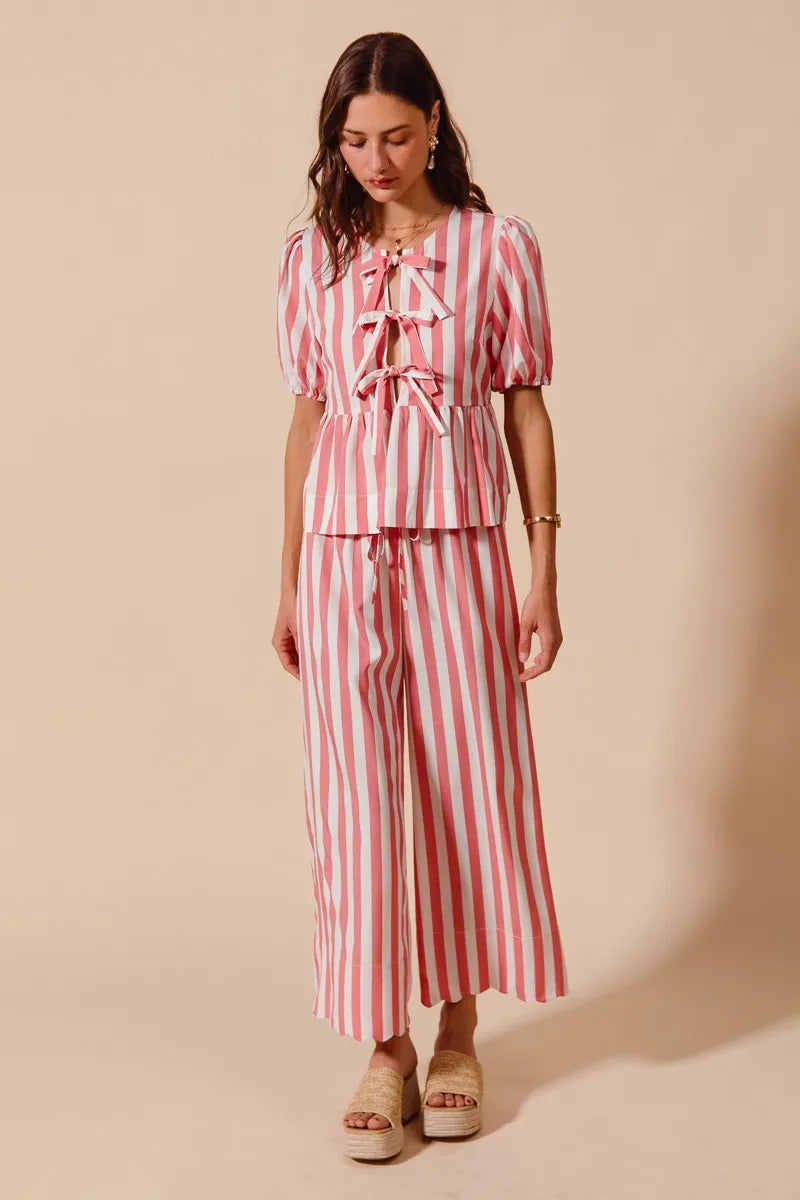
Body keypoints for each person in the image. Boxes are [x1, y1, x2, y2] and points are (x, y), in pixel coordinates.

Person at [273, 31, 569, 1160]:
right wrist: (289, 575)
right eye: (352, 142)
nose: (373, 160)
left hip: (458, 554)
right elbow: (305, 421)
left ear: (434, 123)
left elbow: (524, 407)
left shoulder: (497, 250)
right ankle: (382, 1047)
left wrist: (541, 568)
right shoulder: (310, 260)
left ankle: (457, 1033)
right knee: (350, 804)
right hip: (343, 558)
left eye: (393, 136)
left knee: (466, 786)